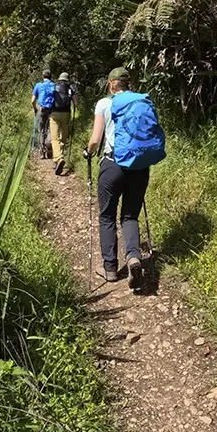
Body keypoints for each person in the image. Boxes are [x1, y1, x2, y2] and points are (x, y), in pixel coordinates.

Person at [83, 67, 150, 288]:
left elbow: (95, 139)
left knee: (107, 216)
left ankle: (110, 268)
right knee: (130, 215)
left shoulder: (104, 104)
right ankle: (133, 257)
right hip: (139, 166)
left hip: (112, 165)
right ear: (128, 83)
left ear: (112, 83)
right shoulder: (140, 101)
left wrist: (88, 152)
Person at [49, 72, 74, 175]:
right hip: (66, 114)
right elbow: (76, 102)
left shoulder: (54, 86)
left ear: (59, 79)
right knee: (63, 137)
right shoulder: (70, 87)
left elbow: (49, 99)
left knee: (54, 138)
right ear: (67, 79)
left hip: (54, 114)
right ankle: (58, 158)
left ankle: (58, 158)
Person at [31, 70, 55, 159]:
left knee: (41, 130)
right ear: (51, 77)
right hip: (51, 110)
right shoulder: (53, 85)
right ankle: (49, 148)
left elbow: (33, 100)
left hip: (41, 109)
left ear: (42, 76)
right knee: (49, 129)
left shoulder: (38, 85)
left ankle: (42, 152)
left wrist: (35, 109)